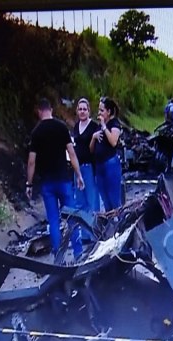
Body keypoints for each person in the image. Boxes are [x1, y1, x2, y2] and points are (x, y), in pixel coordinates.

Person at [26, 98, 85, 257]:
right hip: (64, 180)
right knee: (72, 217)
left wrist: (29, 184)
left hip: (47, 184)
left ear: (39, 111)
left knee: (53, 220)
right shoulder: (61, 127)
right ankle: (79, 253)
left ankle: (58, 256)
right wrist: (79, 175)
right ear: (51, 110)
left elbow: (31, 162)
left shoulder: (36, 133)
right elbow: (71, 154)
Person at [72, 98, 100, 238]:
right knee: (80, 201)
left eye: (85, 109)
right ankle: (84, 234)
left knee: (92, 201)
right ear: (77, 111)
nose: (82, 111)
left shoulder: (94, 126)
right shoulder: (76, 126)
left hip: (89, 167)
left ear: (89, 111)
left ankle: (94, 233)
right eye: (80, 109)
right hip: (77, 168)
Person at [90, 97, 123, 211]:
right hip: (99, 165)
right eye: (98, 110)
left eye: (102, 110)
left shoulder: (114, 124)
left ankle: (119, 221)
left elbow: (113, 142)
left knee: (114, 198)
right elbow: (91, 149)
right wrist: (94, 138)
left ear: (108, 112)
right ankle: (110, 222)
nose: (99, 113)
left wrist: (104, 127)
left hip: (110, 163)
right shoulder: (98, 126)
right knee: (104, 197)